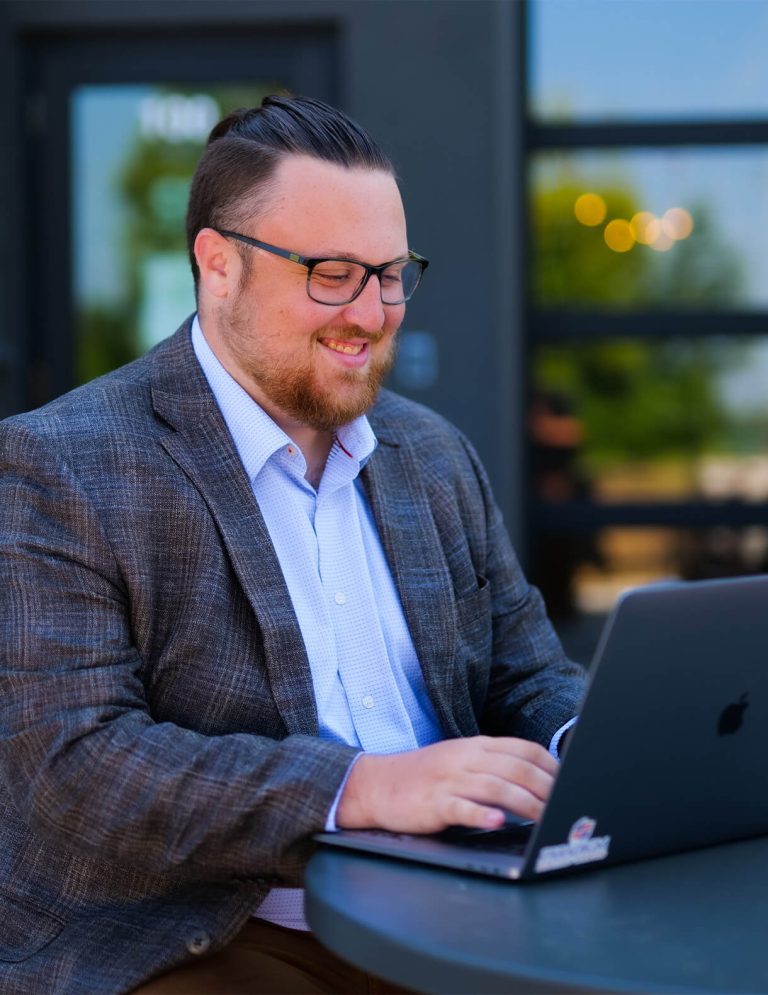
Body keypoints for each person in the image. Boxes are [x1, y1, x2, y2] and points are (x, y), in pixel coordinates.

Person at [0, 95, 585, 995]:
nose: (373, 312)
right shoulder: (59, 464)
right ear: (218, 265)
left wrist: (590, 742)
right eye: (332, 273)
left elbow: (525, 671)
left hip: (464, 909)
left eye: (391, 274)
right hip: (201, 931)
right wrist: (357, 788)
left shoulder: (432, 453)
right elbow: (75, 771)